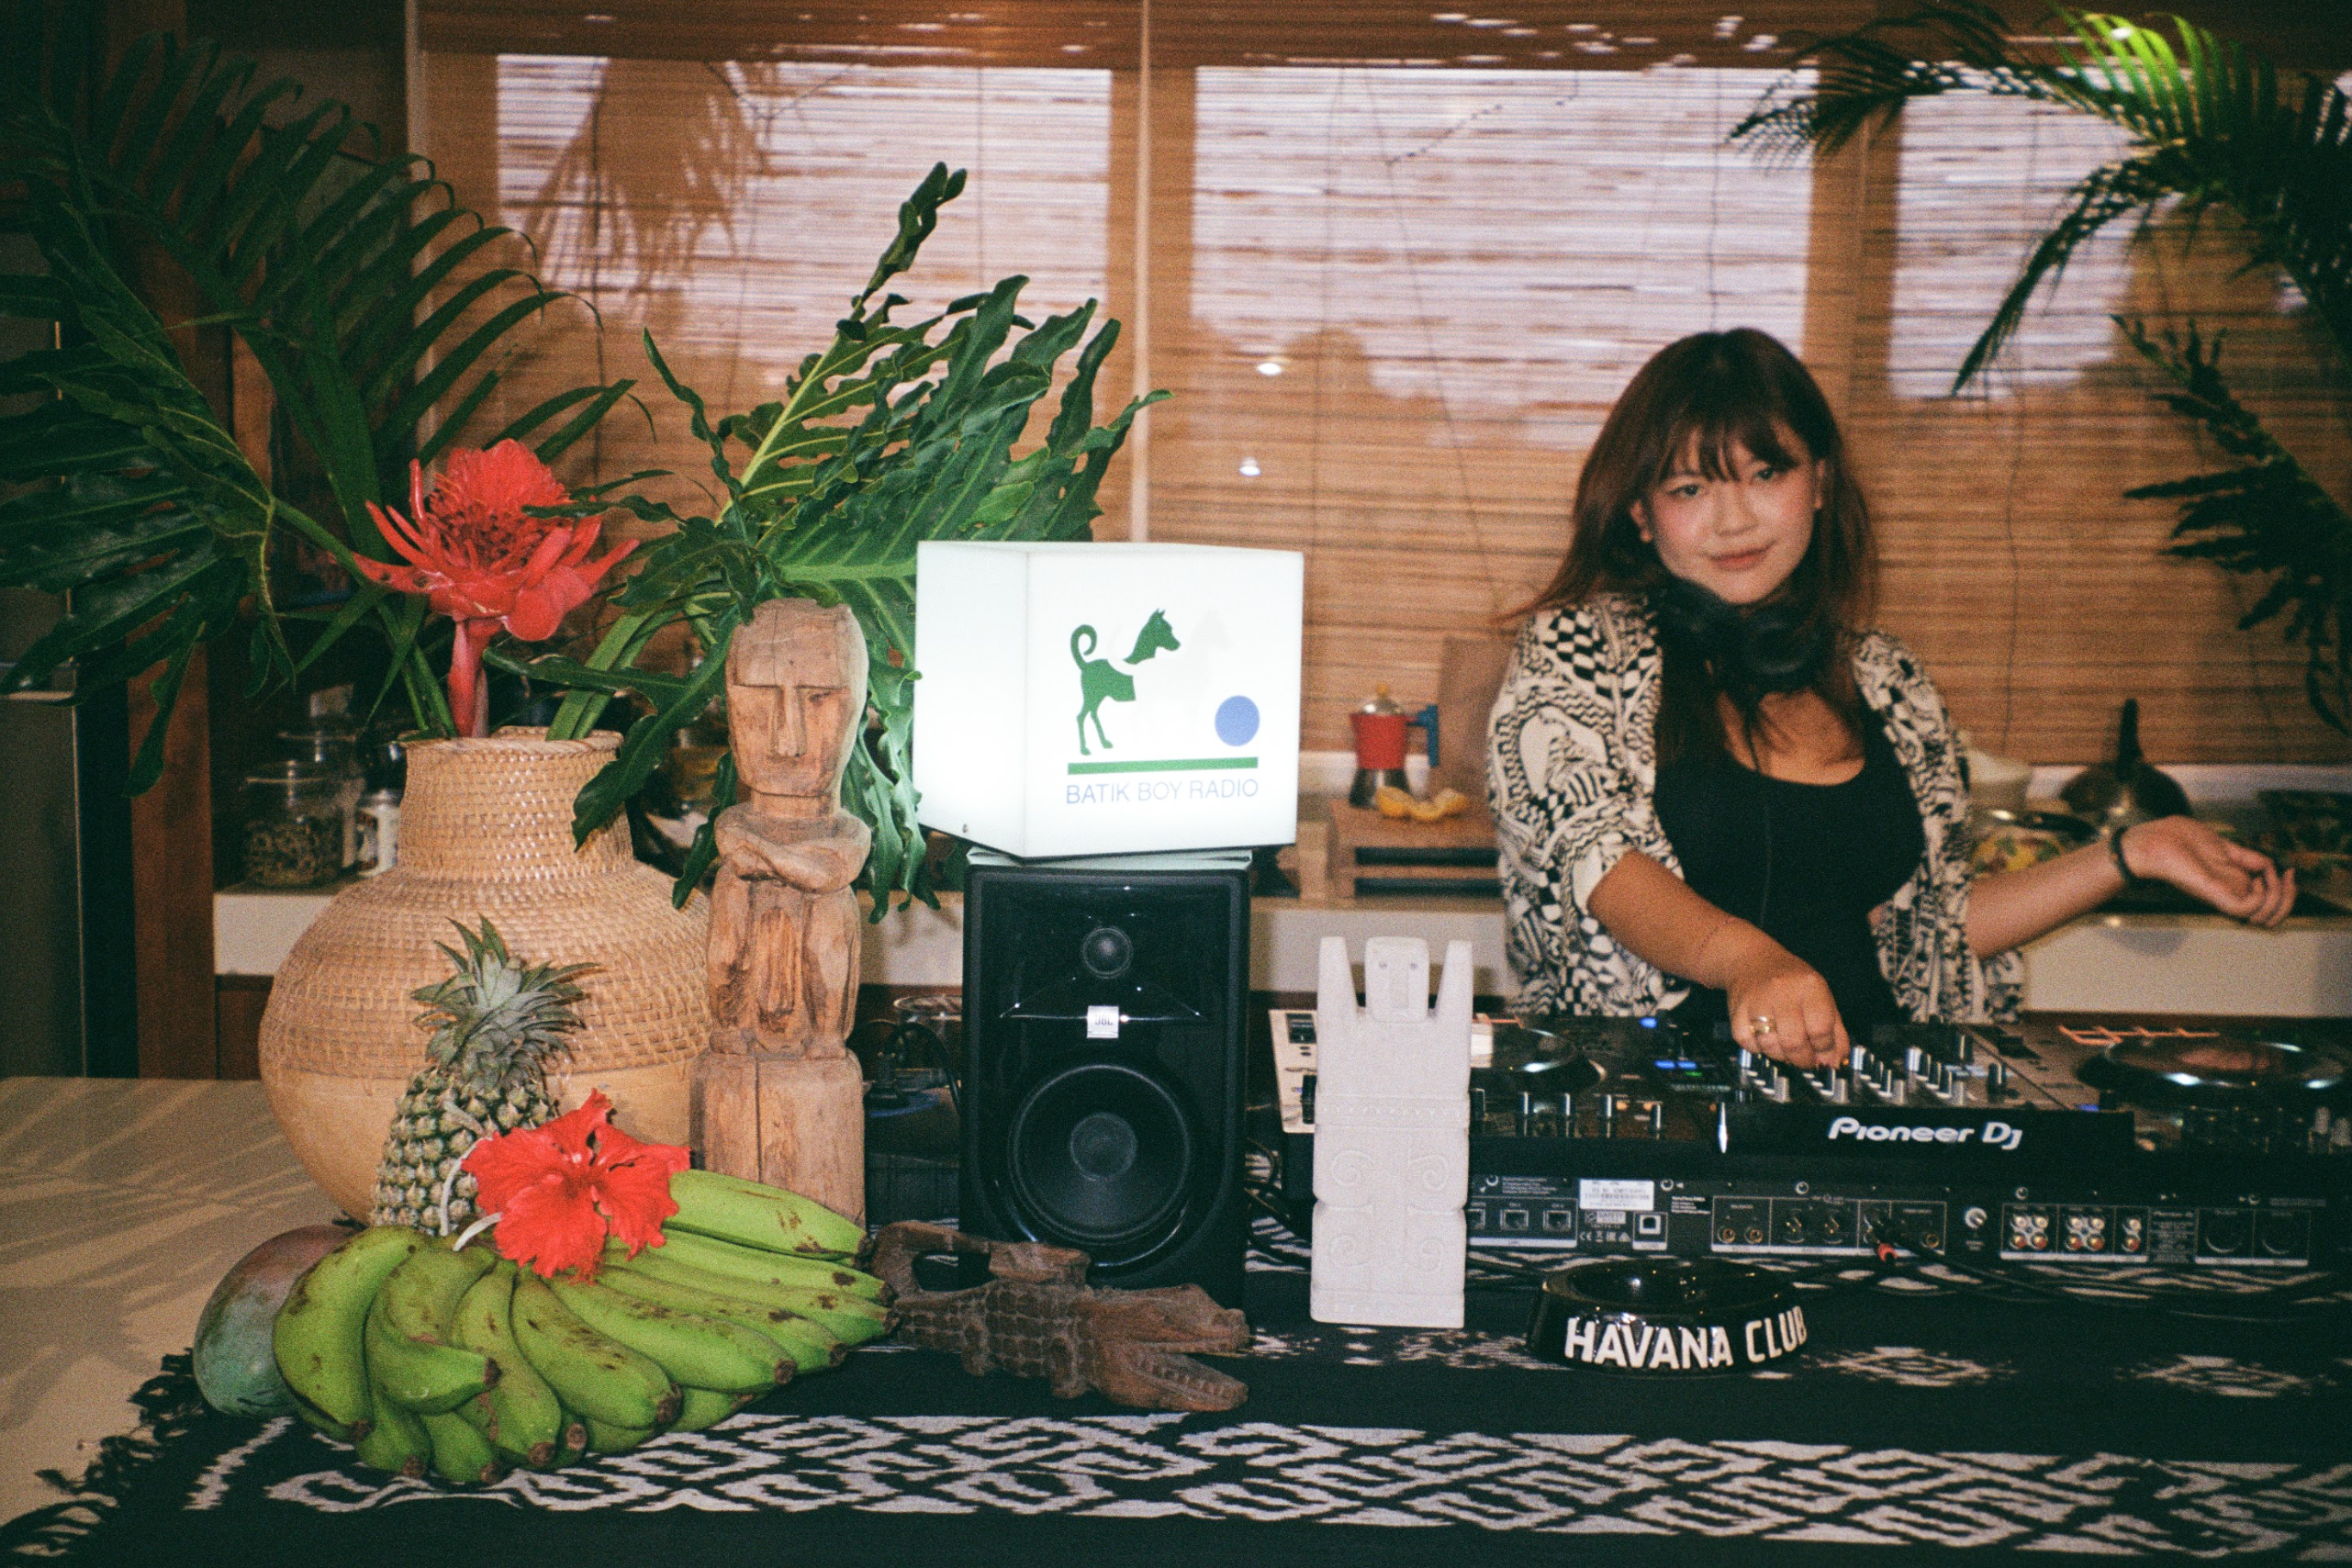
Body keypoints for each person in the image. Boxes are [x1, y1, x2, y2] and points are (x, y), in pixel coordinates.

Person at [1486, 329, 2293, 1068]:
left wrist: (2131, 854)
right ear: (1639, 511)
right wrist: (1750, 961)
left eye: (1767, 473)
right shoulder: (1577, 652)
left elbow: (1936, 931)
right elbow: (1603, 866)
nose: (1733, 519)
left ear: (1820, 482)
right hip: (1648, 1103)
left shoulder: (1888, 680)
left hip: (1874, 1106)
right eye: (1691, 488)